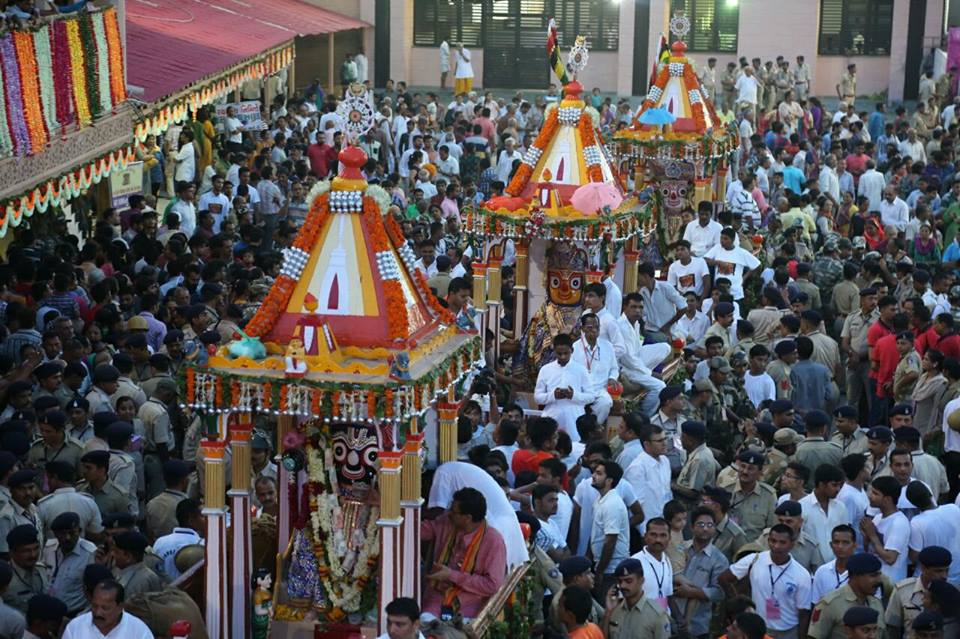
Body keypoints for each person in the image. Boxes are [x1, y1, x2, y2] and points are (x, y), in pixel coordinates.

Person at [421, 487, 506, 620]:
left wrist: (451, 575)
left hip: (469, 606)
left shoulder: (494, 541)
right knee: (424, 623)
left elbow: (492, 585)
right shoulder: (447, 523)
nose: (448, 513)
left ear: (467, 518)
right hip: (437, 599)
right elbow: (418, 530)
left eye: (453, 511)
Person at [720, 523, 813, 638]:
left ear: (792, 545)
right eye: (773, 541)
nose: (776, 546)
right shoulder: (754, 560)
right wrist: (739, 603)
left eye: (782, 542)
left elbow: (803, 613)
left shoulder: (801, 574)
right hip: (759, 630)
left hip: (788, 631)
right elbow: (723, 578)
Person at [809, 553, 885, 639]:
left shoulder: (876, 603)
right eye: (873, 575)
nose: (879, 580)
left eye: (879, 575)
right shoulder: (830, 604)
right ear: (855, 576)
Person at [534, 333, 591, 442]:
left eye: (566, 353)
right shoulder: (545, 370)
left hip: (575, 418)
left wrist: (573, 395)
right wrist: (553, 395)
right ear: (554, 351)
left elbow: (591, 396)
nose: (563, 356)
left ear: (572, 350)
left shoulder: (581, 370)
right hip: (551, 418)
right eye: (559, 353)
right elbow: (537, 397)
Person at [600, 558, 671, 639]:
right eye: (620, 581)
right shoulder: (614, 609)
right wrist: (608, 612)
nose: (622, 585)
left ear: (641, 580)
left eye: (628, 581)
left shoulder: (657, 615)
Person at [61, 580, 153, 639]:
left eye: (105, 608)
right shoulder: (75, 627)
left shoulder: (139, 632)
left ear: (120, 607)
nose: (98, 613)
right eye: (95, 606)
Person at [44, 512, 95, 615]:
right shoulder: (48, 549)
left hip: (74, 614)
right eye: (62, 533)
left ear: (79, 531)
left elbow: (95, 592)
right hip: (49, 613)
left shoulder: (90, 553)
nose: (67, 538)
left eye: (72, 533)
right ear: (55, 534)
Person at [572, 313, 619, 425]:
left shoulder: (607, 346)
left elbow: (614, 368)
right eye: (589, 327)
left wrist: (612, 378)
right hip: (580, 390)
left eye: (596, 327)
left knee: (606, 402)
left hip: (599, 389)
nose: (594, 330)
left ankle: (593, 428)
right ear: (583, 328)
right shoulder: (574, 348)